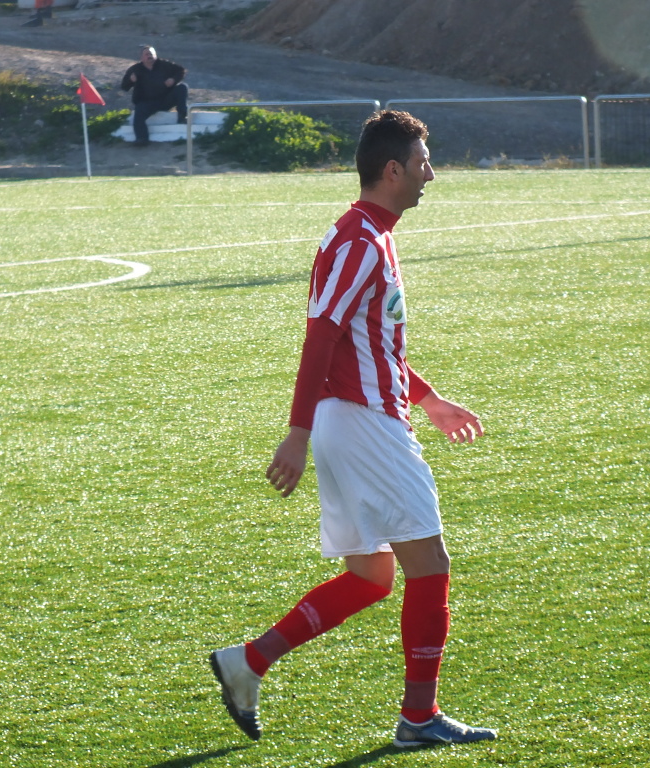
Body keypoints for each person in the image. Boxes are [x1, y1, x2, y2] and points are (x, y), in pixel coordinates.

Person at [208, 110, 498, 749]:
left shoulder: (368, 234)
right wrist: (295, 432)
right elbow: (321, 337)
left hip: (357, 416)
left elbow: (369, 344)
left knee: (371, 576)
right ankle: (418, 718)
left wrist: (429, 399)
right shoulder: (360, 242)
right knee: (430, 564)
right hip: (364, 423)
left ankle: (248, 662)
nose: (430, 174)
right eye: (423, 162)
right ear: (393, 170)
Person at [119, 45, 188, 146]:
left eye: (151, 54)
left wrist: (173, 80)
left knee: (182, 87)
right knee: (139, 112)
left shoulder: (164, 64)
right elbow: (124, 87)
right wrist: (131, 80)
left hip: (165, 99)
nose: (149, 56)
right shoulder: (135, 69)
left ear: (155, 55)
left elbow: (181, 71)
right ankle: (142, 138)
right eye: (146, 54)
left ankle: (182, 117)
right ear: (141, 58)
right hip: (147, 102)